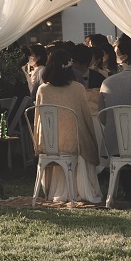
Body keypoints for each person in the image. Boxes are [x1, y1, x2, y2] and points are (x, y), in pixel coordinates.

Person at [32, 48, 101, 203]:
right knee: (84, 139)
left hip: (49, 144)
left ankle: (51, 190)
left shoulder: (43, 90)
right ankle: (80, 189)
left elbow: (38, 121)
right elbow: (85, 119)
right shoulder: (78, 89)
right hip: (72, 145)